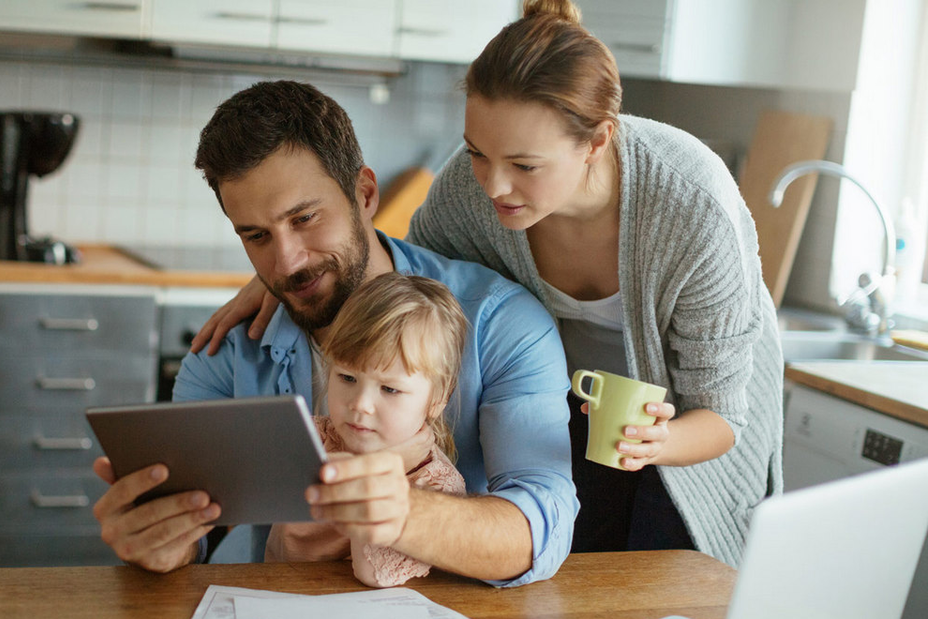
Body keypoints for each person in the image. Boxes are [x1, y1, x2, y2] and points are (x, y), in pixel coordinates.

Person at [190, 2, 784, 567]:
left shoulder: (691, 203)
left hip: (692, 420)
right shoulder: (466, 194)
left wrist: (655, 444)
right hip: (579, 407)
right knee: (579, 578)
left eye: (524, 166)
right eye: (477, 153)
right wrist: (288, 280)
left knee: (674, 586)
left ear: (598, 142)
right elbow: (407, 277)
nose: (494, 186)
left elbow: (723, 414)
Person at [92, 80, 577, 587]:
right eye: (255, 236)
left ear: (364, 194)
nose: (286, 262)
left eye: (305, 218)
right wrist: (162, 541)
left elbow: (543, 526)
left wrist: (403, 514)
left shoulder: (500, 324)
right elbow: (194, 529)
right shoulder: (228, 349)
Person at [266, 272, 469, 588]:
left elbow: (374, 575)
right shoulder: (315, 439)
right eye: (347, 378)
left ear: (437, 399)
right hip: (280, 596)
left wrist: (374, 470)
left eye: (389, 389)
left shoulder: (436, 486)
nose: (360, 404)